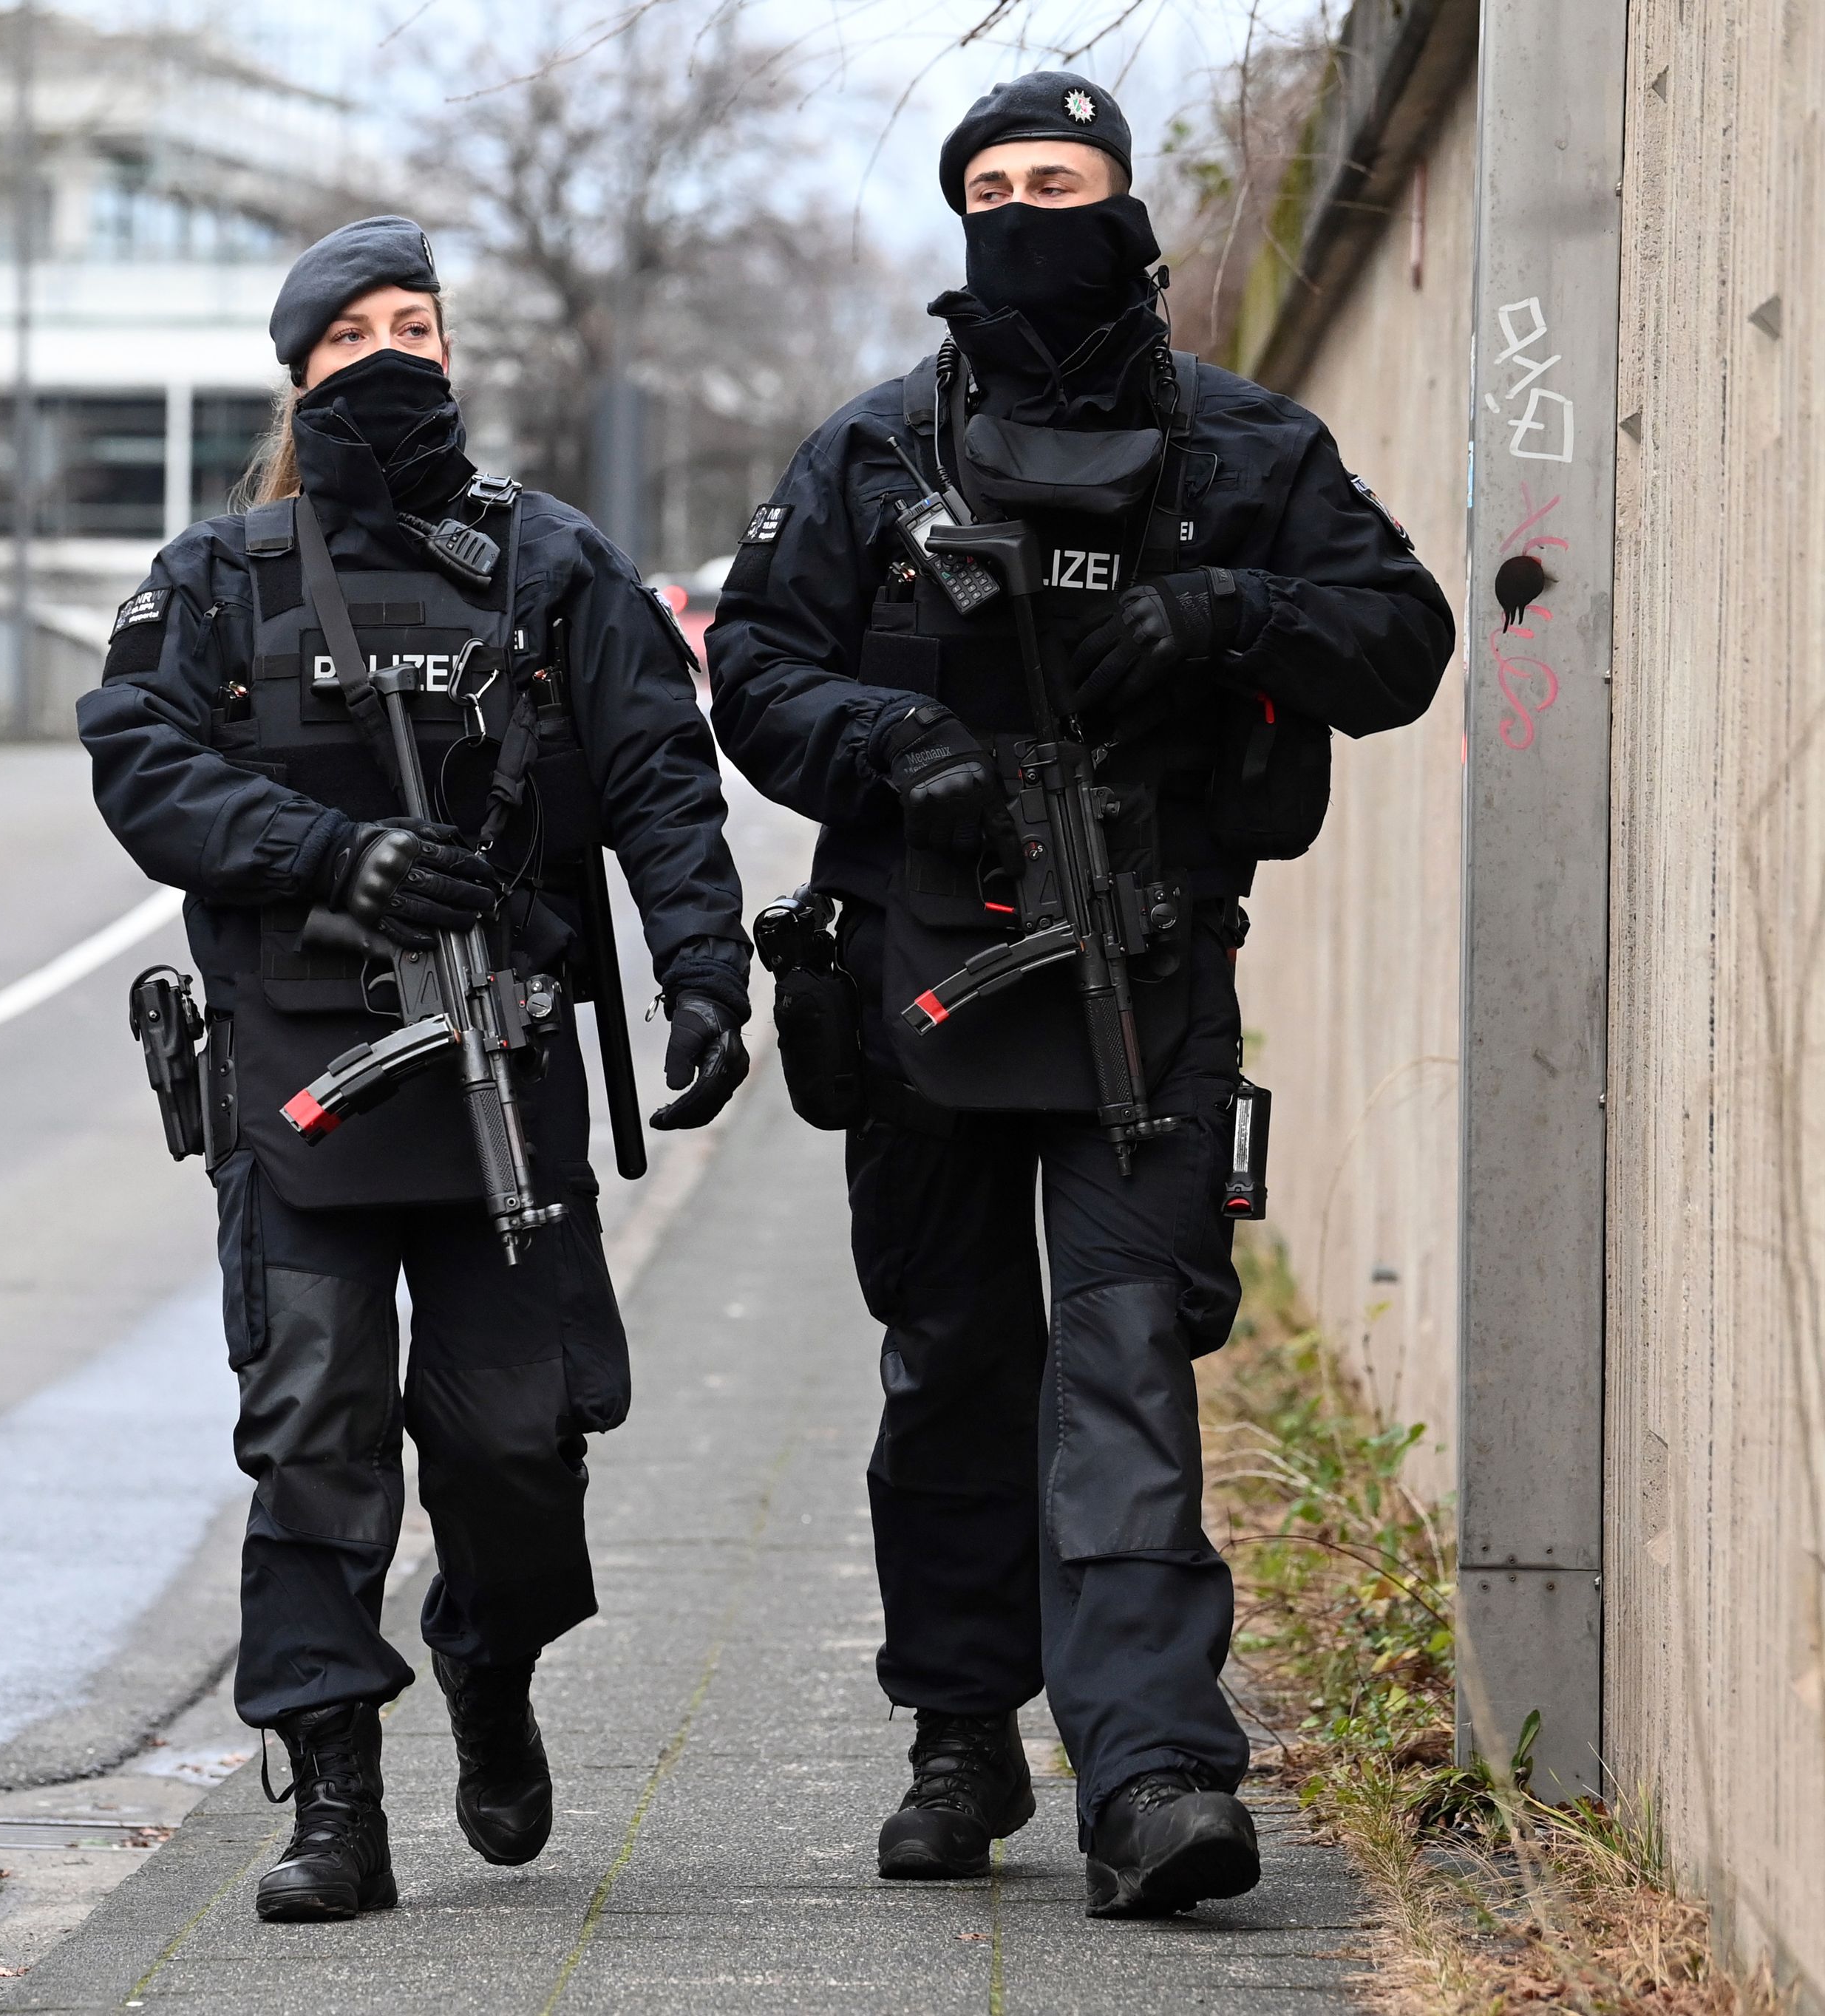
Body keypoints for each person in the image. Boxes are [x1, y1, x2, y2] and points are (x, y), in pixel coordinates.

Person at [707, 75, 1451, 1917]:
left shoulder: (1244, 451)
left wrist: (1224, 617)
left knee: (1122, 1360)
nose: (1027, 210)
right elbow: (751, 669)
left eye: (1061, 181)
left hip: (1145, 966)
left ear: (1125, 206)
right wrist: (886, 740)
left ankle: (1151, 1774)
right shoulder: (871, 455)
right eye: (993, 187)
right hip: (918, 977)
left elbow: (1404, 636)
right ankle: (960, 1736)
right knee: (955, 1364)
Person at [80, 217, 754, 1923]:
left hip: (501, 1083)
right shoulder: (218, 576)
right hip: (300, 1092)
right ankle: (332, 1795)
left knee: (516, 1449)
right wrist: (328, 854)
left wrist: (699, 971)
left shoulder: (551, 563)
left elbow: (661, 775)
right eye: (357, 330)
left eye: (420, 325)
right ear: (300, 372)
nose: (395, 351)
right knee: (311, 1437)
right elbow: (139, 764)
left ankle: (487, 1657)